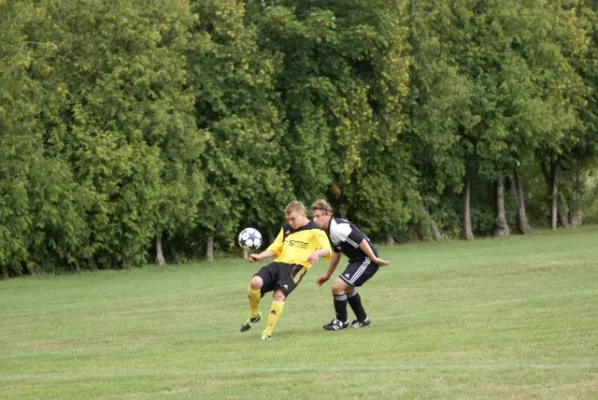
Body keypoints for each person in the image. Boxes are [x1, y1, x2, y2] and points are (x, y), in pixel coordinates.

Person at [240, 201, 332, 340]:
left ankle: (268, 331)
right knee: (255, 282)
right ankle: (254, 314)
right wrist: (260, 255)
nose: (290, 222)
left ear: (302, 214)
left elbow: (327, 249)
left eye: (293, 219)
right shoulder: (287, 229)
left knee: (279, 295)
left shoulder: (315, 230)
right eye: (288, 219)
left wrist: (317, 253)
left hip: (296, 268)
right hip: (278, 264)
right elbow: (275, 247)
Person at [310, 199, 389, 331]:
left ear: (328, 214)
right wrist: (327, 275)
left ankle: (341, 321)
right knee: (346, 288)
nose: (315, 219)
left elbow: (361, 240)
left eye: (318, 216)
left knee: (337, 287)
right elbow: (336, 253)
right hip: (358, 260)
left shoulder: (337, 228)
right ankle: (363, 319)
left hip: (366, 260)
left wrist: (373, 258)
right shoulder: (330, 229)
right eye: (313, 216)